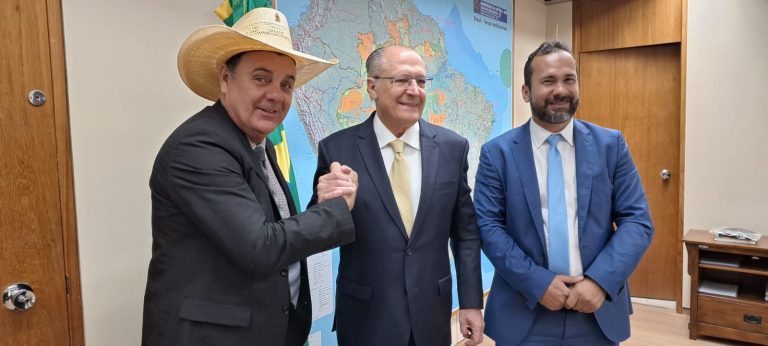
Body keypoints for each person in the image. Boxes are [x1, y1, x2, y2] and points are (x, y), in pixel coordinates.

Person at [142, 8, 359, 346]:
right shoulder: (198, 147)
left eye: (286, 84)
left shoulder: (259, 145)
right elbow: (260, 247)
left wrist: (324, 201)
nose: (276, 94)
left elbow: (268, 225)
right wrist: (338, 210)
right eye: (261, 78)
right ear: (225, 80)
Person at [474, 41, 654, 345]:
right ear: (526, 91)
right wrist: (538, 283)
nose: (561, 90)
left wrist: (599, 282)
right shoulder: (498, 154)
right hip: (524, 309)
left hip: (596, 310)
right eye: (548, 81)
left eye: (569, 79)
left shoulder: (611, 146)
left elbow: (637, 221)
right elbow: (488, 227)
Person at [309, 45, 485, 346]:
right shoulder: (337, 150)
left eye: (421, 81)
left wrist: (471, 302)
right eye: (402, 80)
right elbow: (319, 233)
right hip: (366, 316)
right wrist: (326, 207)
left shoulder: (453, 148)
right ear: (372, 87)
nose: (414, 90)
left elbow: (465, 233)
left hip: (431, 314)